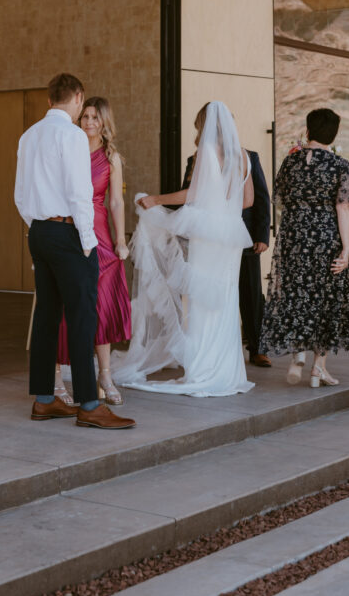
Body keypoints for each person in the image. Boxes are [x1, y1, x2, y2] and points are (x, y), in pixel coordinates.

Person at [14, 72, 134, 430]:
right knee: (83, 318)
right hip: (69, 234)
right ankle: (89, 404)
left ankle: (45, 400)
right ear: (78, 97)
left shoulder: (29, 135)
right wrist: (87, 242)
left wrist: (36, 225)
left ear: (50, 99)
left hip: (39, 231)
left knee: (48, 316)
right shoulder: (72, 136)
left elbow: (20, 194)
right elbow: (81, 194)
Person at [111, 100, 255, 397]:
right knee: (226, 301)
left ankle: (203, 370)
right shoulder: (243, 155)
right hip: (230, 235)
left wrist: (156, 199)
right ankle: (227, 371)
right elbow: (248, 201)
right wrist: (223, 207)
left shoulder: (205, 152)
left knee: (202, 301)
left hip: (207, 237)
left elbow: (193, 193)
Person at [259, 107, 349, 387]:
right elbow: (344, 207)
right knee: (327, 299)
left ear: (308, 129)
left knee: (297, 293)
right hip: (325, 237)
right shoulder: (340, 165)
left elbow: (279, 197)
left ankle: (298, 353)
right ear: (334, 134)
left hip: (294, 237)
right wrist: (346, 249)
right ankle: (318, 368)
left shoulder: (290, 162)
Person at [55, 97, 131, 407]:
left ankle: (105, 375)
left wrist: (121, 241)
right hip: (70, 228)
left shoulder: (111, 157)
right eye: (84, 116)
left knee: (102, 305)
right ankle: (57, 378)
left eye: (95, 117)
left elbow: (116, 202)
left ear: (104, 122)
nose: (88, 122)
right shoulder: (68, 148)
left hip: (100, 232)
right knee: (63, 304)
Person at [183, 120, 272, 368]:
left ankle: (258, 348)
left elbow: (261, 198)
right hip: (210, 239)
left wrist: (262, 235)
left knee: (251, 292)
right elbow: (187, 196)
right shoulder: (196, 159)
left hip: (243, 235)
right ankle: (218, 348)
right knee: (215, 293)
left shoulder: (249, 156)